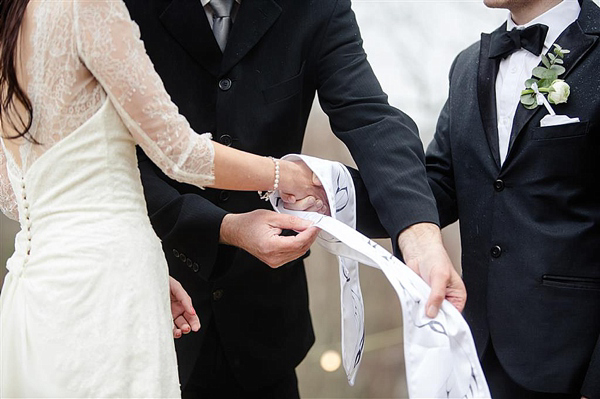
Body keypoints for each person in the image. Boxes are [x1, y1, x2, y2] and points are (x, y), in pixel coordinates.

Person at [124, 0, 467, 397]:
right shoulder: (115, 8)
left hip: (265, 332)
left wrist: (418, 234)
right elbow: (113, 162)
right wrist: (225, 226)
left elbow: (370, 117)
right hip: (146, 306)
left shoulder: (316, 7)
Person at [0, 0, 324, 397]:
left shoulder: (7, 28)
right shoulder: (87, 7)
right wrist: (284, 174)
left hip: (36, 294)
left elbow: (15, 198)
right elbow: (179, 152)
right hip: (110, 293)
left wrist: (146, 265)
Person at [425, 0, 600, 397]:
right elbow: (439, 184)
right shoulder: (467, 65)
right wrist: (332, 193)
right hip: (478, 360)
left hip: (573, 367)